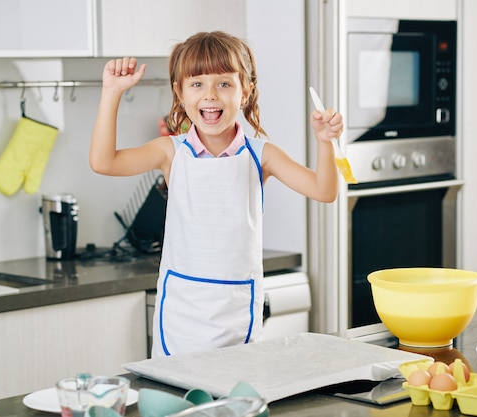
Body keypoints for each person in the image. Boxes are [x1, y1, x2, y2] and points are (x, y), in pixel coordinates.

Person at [89, 31, 342, 357]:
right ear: (179, 92)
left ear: (246, 91)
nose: (210, 95)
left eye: (224, 83)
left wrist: (325, 142)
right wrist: (111, 93)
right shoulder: (170, 152)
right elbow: (103, 162)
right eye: (197, 84)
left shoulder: (261, 154)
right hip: (181, 312)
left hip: (237, 309)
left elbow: (324, 191)